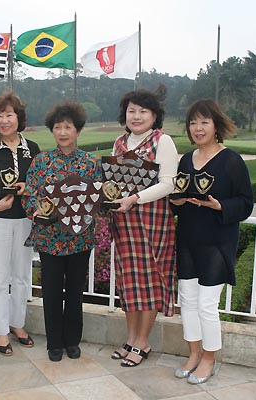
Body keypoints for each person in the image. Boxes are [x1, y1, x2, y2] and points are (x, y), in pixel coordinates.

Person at [170, 99, 253, 384]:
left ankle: (209, 358)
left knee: (206, 304)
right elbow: (177, 201)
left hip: (217, 242)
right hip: (188, 240)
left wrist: (220, 207)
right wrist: (177, 201)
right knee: (188, 301)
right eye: (193, 122)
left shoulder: (231, 160)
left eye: (204, 121)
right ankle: (193, 354)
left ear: (216, 125)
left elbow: (245, 203)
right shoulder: (186, 160)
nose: (198, 128)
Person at [22, 102, 101, 362]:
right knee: (52, 293)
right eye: (58, 127)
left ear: (78, 130)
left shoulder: (90, 163)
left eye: (68, 127)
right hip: (49, 239)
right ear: (52, 131)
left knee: (75, 293)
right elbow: (30, 194)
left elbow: (98, 197)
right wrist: (35, 211)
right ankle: (54, 342)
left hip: (80, 238)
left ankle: (72, 341)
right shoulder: (41, 161)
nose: (63, 132)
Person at [110, 86, 178, 367]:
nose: (136, 116)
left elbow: (168, 183)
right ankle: (130, 338)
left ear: (154, 115)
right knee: (128, 281)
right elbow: (112, 180)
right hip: (124, 222)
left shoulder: (163, 141)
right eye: (131, 111)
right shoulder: (120, 142)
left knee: (149, 281)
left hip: (152, 222)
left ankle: (143, 341)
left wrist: (134, 198)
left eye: (143, 111)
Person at [0, 91, 40, 355]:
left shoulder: (32, 148)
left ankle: (17, 323)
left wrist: (27, 188)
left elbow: (38, 183)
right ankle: (0, 330)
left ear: (18, 117)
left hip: (24, 220)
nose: (5, 120)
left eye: (9, 114)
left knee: (22, 275)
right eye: (0, 115)